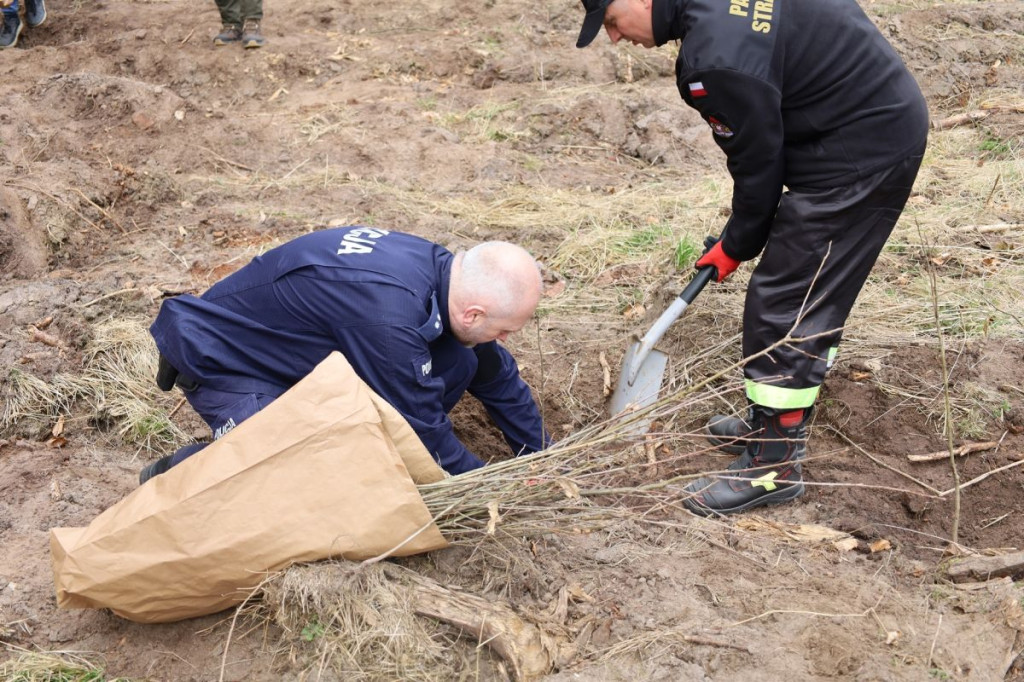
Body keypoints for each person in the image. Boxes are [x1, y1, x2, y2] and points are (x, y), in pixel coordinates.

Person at [576, 0, 929, 515]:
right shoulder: (716, 18)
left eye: (610, 22)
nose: (614, 38)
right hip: (853, 123)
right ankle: (769, 422)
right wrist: (739, 240)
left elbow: (759, 168)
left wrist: (738, 243)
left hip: (862, 150)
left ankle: (774, 468)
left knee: (788, 303)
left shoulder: (716, 58)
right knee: (792, 289)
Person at [140, 226, 551, 483]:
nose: (504, 339)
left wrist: (541, 455)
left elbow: (496, 374)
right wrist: (487, 484)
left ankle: (355, 440)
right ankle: (177, 472)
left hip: (296, 346)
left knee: (463, 359)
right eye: (502, 330)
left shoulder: (445, 274)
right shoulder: (389, 318)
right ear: (474, 312)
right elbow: (428, 435)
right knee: (293, 472)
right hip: (228, 360)